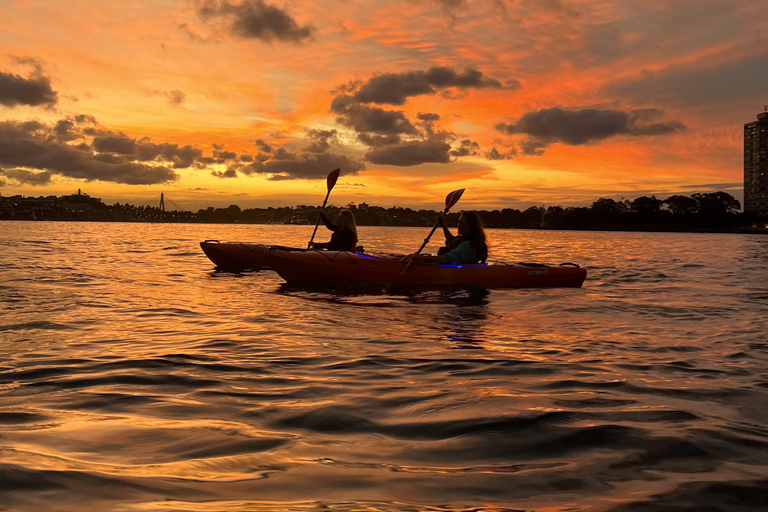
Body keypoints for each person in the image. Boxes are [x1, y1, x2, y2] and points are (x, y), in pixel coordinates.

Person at [404, 211, 488, 265]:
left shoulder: (468, 244)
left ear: (471, 227)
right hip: (452, 268)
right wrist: (443, 225)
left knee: (415, 258)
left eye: (463, 224)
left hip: (455, 272)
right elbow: (451, 242)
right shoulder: (464, 240)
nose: (459, 226)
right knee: (411, 256)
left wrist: (424, 258)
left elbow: (450, 258)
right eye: (459, 222)